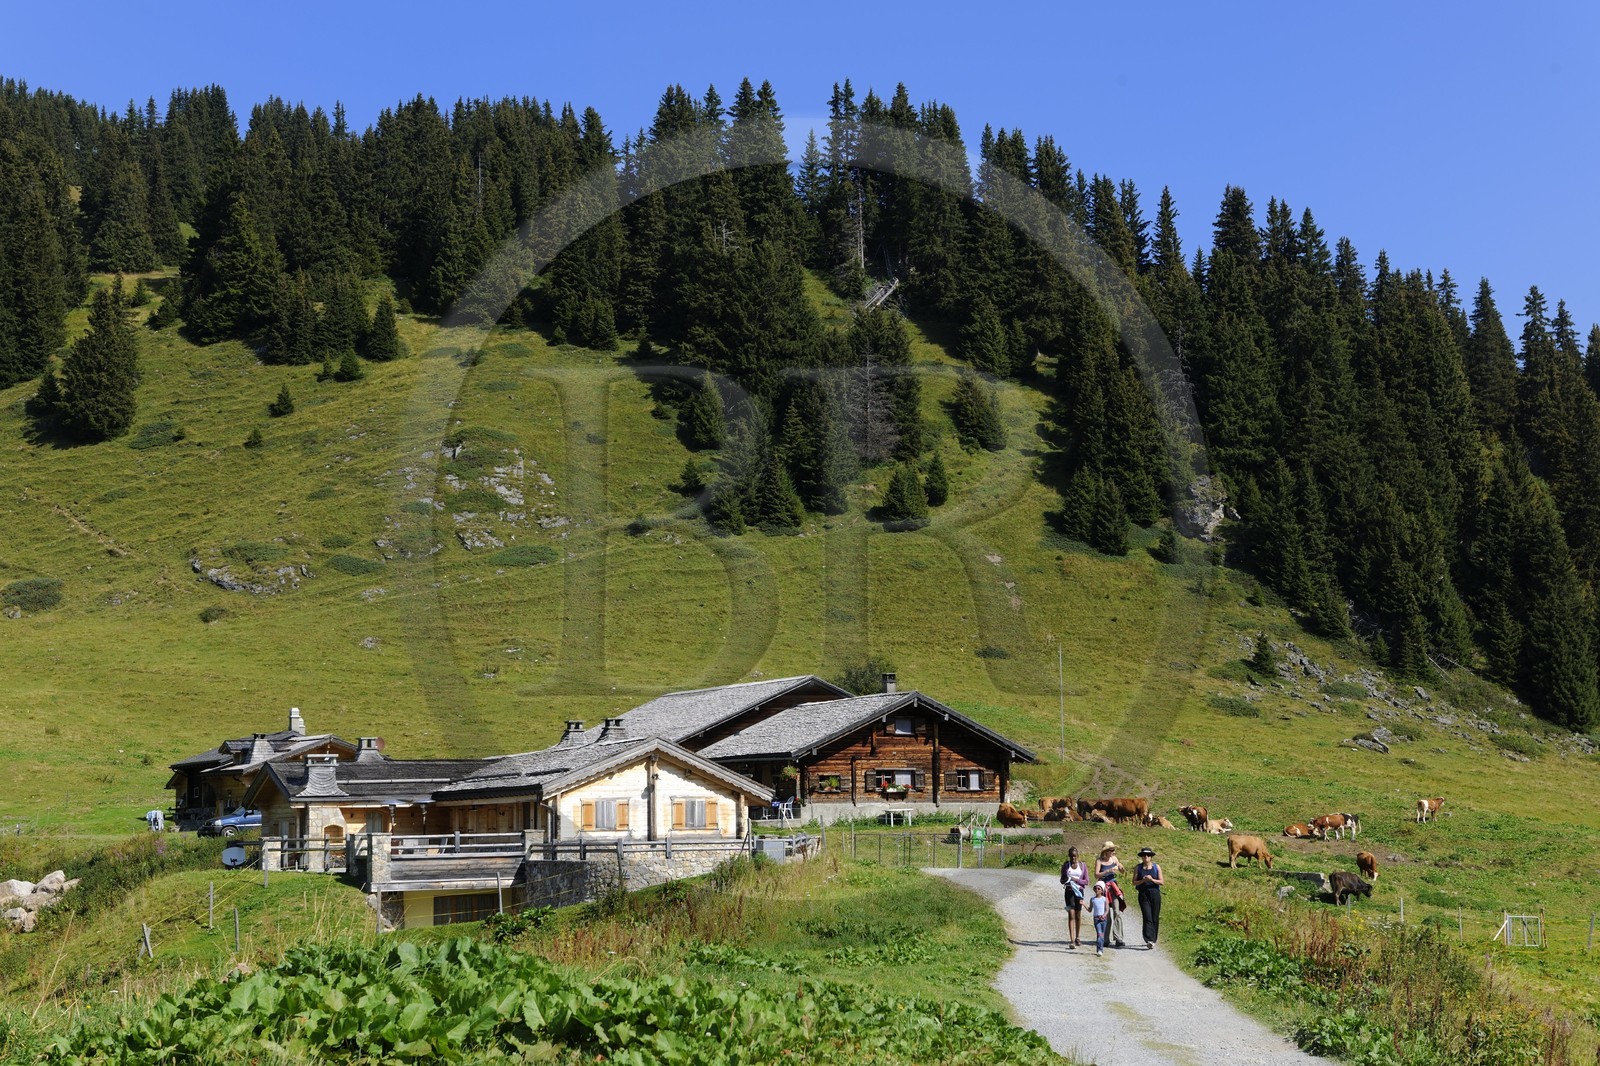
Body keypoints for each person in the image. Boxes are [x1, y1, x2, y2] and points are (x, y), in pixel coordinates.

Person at [1133, 846, 1164, 949]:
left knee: (1155, 916)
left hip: (1155, 893)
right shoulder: (1138, 868)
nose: (1146, 857)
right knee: (1147, 916)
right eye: (1144, 855)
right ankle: (1148, 938)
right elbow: (1134, 882)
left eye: (1148, 855)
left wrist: (1152, 880)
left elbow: (1161, 882)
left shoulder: (1156, 867)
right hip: (1143, 894)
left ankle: (1153, 939)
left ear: (1151, 857)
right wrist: (1143, 881)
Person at [1096, 841, 1126, 947]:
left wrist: (1121, 868)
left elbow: (1121, 869)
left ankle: (1119, 938)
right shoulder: (1100, 861)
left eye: (1114, 850)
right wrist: (1107, 871)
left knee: (1117, 912)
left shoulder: (1114, 859)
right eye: (1111, 850)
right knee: (1106, 915)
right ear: (1106, 851)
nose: (1113, 852)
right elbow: (1096, 875)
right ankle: (1105, 939)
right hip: (1104, 889)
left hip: (1113, 888)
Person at [1059, 846, 1089, 948]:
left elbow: (1086, 881)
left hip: (1079, 892)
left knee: (1078, 915)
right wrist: (1067, 879)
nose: (1073, 858)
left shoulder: (1083, 866)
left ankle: (1078, 937)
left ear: (1078, 856)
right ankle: (1072, 940)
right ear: (1069, 856)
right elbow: (1061, 880)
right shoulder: (1066, 866)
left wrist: (1076, 880)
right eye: (1071, 856)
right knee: (1071, 914)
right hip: (1069, 892)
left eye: (1075, 856)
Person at [1089, 880, 1110, 956]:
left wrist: (1104, 915)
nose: (1097, 890)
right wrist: (1083, 904)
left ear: (1102, 890)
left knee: (1101, 935)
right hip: (1096, 919)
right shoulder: (1092, 899)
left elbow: (1107, 909)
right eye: (1096, 888)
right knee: (1099, 933)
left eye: (1099, 888)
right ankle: (1100, 950)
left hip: (1103, 919)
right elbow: (1090, 909)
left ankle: (1099, 949)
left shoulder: (1105, 899)